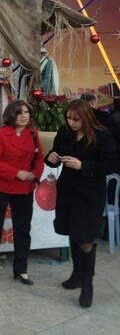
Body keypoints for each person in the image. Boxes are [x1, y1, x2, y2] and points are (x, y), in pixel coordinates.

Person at [45, 99, 116, 308]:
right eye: (69, 118)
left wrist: (83, 165)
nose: (72, 123)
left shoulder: (102, 135)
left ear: (86, 117)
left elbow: (110, 164)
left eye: (76, 120)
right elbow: (53, 156)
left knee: (85, 236)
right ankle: (76, 274)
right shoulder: (65, 132)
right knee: (73, 233)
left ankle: (87, 283)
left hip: (90, 194)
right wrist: (51, 157)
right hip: (68, 190)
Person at [0, 100, 44, 284]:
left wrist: (35, 175)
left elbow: (39, 159)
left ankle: (21, 270)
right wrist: (17, 173)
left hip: (24, 189)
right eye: (19, 112)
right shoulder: (1, 134)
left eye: (27, 112)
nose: (24, 116)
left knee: (22, 230)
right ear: (12, 115)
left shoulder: (33, 135)